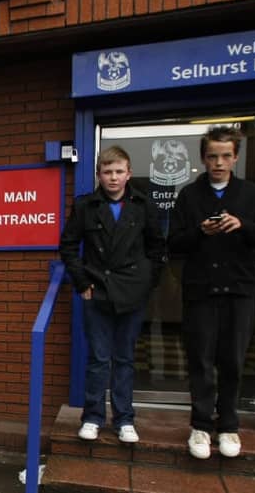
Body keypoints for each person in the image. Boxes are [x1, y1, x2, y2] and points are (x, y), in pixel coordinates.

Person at [168, 126, 255, 459]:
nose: (219, 162)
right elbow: (174, 244)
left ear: (236, 157)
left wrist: (242, 225)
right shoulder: (189, 195)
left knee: (233, 361)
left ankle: (228, 426)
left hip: (240, 289)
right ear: (203, 158)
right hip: (201, 291)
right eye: (212, 156)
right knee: (200, 360)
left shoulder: (252, 194)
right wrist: (200, 231)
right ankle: (200, 426)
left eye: (226, 155)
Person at [59, 146, 166, 444]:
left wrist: (147, 283)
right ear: (99, 175)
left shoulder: (143, 205)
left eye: (119, 171)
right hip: (98, 291)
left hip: (133, 292)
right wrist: (82, 284)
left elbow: (157, 248)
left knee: (125, 358)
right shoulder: (85, 206)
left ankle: (124, 419)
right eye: (107, 172)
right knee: (98, 358)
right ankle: (93, 417)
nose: (113, 178)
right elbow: (68, 246)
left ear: (129, 173)